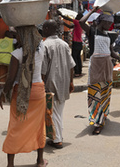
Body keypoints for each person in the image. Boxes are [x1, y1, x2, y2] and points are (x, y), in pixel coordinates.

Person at [0, 26, 48, 167]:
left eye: (18, 35)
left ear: (23, 37)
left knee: (15, 126)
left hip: (20, 92)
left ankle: (10, 164)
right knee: (39, 126)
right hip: (38, 91)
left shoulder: (17, 54)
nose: (16, 38)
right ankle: (39, 161)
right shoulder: (41, 49)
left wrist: (3, 94)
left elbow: (10, 78)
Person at [80, 7, 120, 135]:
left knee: (105, 93)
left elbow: (111, 51)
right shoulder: (92, 31)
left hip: (106, 66)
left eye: (111, 23)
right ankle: (96, 122)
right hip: (96, 66)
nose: (110, 25)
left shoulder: (107, 35)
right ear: (101, 21)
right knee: (94, 94)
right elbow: (81, 22)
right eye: (108, 23)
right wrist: (92, 12)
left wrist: (119, 57)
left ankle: (103, 116)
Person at [41, 19, 76, 149]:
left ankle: (57, 140)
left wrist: (41, 84)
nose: (43, 30)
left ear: (47, 29)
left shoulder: (45, 45)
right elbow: (72, 66)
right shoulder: (64, 44)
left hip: (51, 83)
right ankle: (58, 136)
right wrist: (71, 82)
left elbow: (43, 70)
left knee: (53, 113)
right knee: (58, 112)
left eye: (44, 28)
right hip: (64, 82)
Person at [58, 10, 84, 77]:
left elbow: (69, 19)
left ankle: (76, 72)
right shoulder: (79, 24)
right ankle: (79, 71)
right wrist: (63, 23)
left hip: (76, 42)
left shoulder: (77, 22)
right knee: (77, 57)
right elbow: (70, 27)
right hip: (79, 43)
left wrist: (61, 15)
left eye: (77, 16)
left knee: (74, 57)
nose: (76, 17)